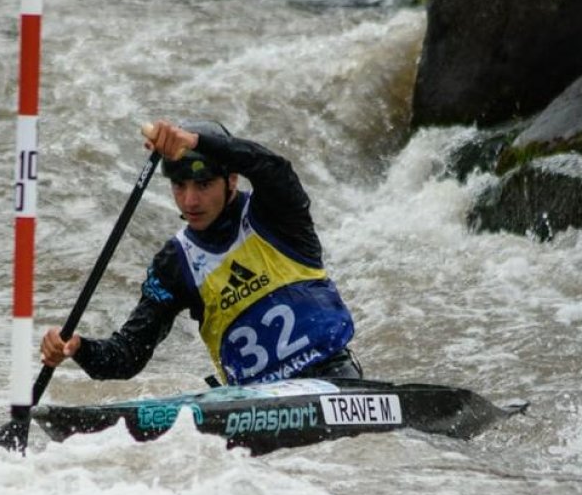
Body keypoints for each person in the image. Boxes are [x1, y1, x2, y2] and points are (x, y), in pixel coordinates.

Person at [40, 119, 361, 386]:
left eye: (203, 184)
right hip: (251, 405)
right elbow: (128, 355)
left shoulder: (276, 213)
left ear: (231, 179)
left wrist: (195, 141)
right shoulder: (175, 263)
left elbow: (271, 166)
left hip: (331, 377)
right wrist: (77, 347)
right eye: (179, 186)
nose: (190, 201)